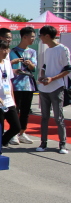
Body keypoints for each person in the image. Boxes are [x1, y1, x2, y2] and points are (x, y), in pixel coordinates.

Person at [36, 25, 70, 154]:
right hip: (44, 88)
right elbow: (45, 66)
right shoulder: (47, 50)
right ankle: (43, 143)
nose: (40, 38)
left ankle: (62, 144)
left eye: (41, 36)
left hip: (57, 87)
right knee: (44, 117)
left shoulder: (63, 49)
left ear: (47, 36)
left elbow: (67, 69)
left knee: (58, 117)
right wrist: (43, 76)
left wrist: (52, 79)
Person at [8, 27, 37, 145]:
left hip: (28, 85)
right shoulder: (12, 52)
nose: (33, 39)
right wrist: (14, 64)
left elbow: (34, 68)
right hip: (15, 85)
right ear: (24, 37)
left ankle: (22, 132)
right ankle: (13, 133)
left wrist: (30, 64)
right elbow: (6, 67)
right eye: (32, 37)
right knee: (15, 110)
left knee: (25, 111)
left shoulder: (32, 52)